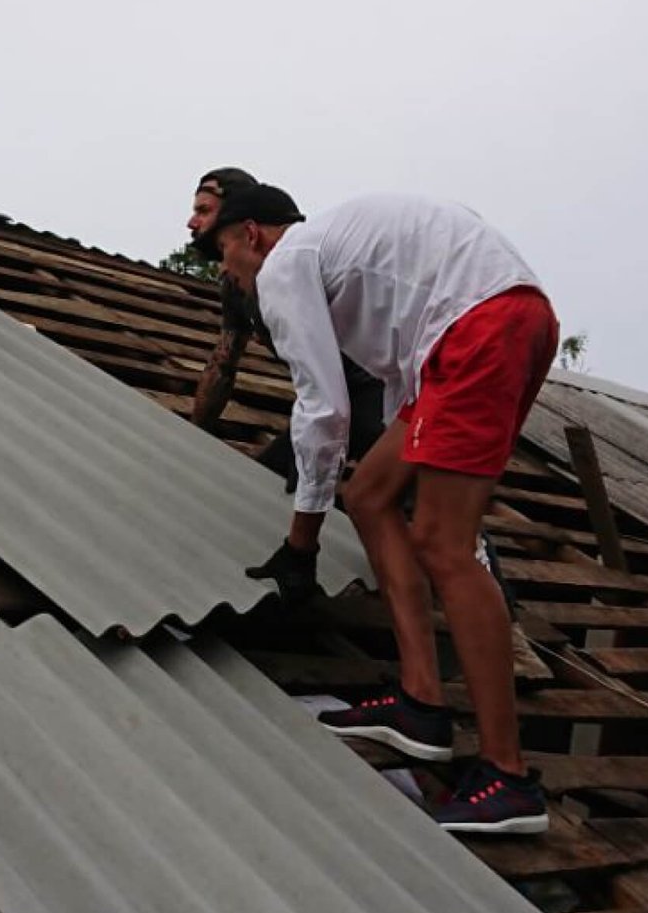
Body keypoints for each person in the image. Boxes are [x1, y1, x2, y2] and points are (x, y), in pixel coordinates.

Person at [203, 185, 558, 835]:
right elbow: (397, 378)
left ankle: (508, 777)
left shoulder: (285, 265)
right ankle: (420, 704)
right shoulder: (344, 259)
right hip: (490, 327)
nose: (225, 270)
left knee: (445, 546)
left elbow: (324, 411)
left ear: (252, 234)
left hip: (478, 328)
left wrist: (300, 542)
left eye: (223, 251)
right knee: (369, 495)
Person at [187, 168, 386, 605]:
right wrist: (190, 442)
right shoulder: (236, 284)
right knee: (257, 483)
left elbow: (326, 400)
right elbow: (224, 361)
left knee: (421, 506)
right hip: (332, 401)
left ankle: (511, 632)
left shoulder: (290, 264)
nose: (192, 223)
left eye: (204, 211)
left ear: (244, 225)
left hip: (377, 396)